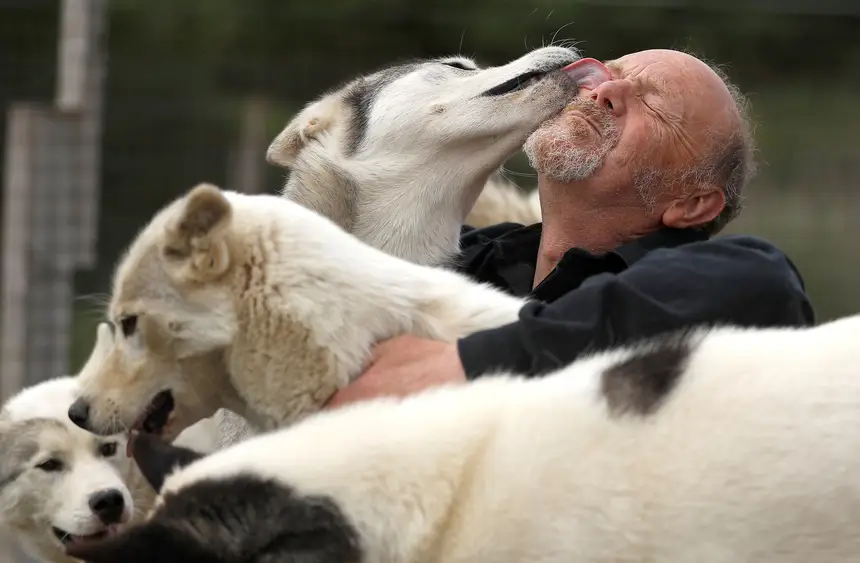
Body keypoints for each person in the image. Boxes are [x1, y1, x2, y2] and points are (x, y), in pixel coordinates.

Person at [325, 48, 815, 409]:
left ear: (692, 204)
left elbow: (764, 289)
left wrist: (471, 363)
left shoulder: (735, 288)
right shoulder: (467, 261)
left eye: (655, 106)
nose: (604, 91)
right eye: (609, 73)